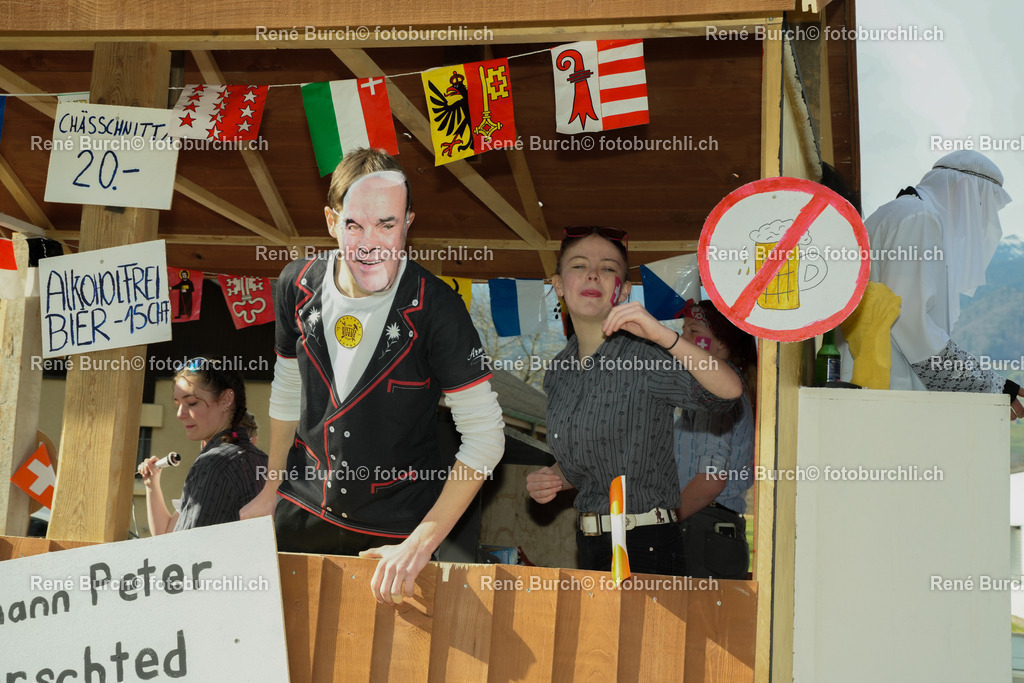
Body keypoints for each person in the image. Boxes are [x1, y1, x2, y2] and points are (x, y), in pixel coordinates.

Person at [241, 148, 504, 605]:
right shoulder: (295, 285)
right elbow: (286, 394)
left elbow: (486, 437)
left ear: (408, 223)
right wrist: (269, 490)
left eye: (386, 225)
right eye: (354, 225)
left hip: (394, 537)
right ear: (330, 221)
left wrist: (420, 545)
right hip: (300, 510)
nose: (370, 243)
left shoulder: (439, 309)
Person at [526, 227, 743, 576]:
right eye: (579, 266)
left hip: (647, 545)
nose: (594, 274)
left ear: (623, 291)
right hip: (589, 543)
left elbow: (728, 392)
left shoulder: (643, 354)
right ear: (558, 285)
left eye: (609, 268)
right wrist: (552, 478)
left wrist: (662, 334)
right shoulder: (559, 370)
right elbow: (585, 465)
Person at [839, 150, 1023, 419]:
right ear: (962, 189)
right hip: (887, 386)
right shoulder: (918, 219)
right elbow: (909, 322)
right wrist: (985, 386)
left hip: (878, 382)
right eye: (982, 206)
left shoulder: (905, 212)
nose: (981, 221)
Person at [674, 300, 757, 579]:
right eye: (683, 329)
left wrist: (663, 522)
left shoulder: (715, 391)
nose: (682, 338)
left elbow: (711, 479)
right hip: (709, 529)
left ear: (722, 345)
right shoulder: (702, 390)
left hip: (703, 529)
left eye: (693, 330)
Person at [138, 359, 268, 535]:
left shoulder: (214, 463)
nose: (180, 414)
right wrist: (151, 484)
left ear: (226, 399)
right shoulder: (263, 460)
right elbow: (168, 534)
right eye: (177, 404)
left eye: (191, 403)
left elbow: (181, 549)